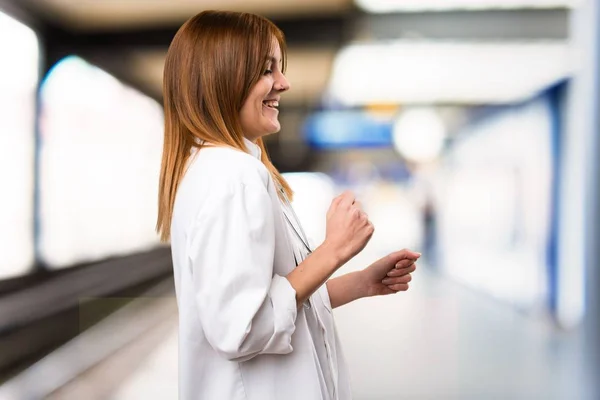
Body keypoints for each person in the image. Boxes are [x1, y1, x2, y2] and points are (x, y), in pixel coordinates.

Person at [156, 10, 421, 400]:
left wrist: (359, 283)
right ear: (224, 77)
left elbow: (270, 298)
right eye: (268, 70)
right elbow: (240, 327)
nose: (284, 83)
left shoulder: (218, 169)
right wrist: (333, 250)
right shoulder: (234, 175)